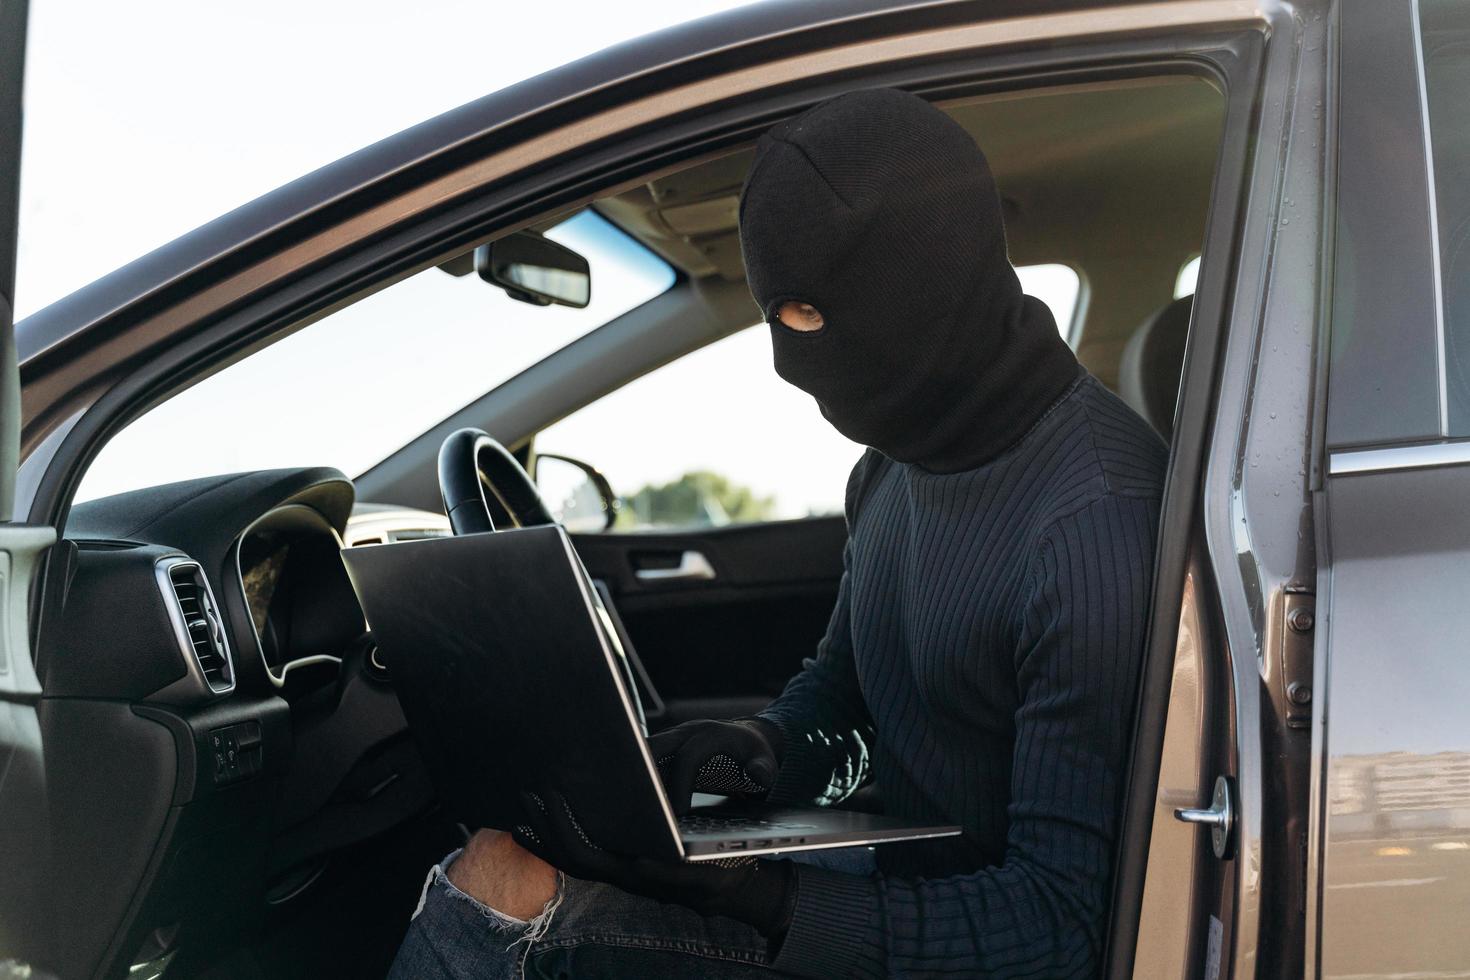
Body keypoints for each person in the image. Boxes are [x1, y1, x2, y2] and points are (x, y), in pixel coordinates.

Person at [389, 87, 1168, 979]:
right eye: (775, 316)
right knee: (536, 842)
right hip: (898, 880)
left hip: (974, 947)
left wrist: (771, 902)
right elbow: (853, 706)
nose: (787, 358)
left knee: (501, 879)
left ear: (924, 286)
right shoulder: (894, 464)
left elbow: (1065, 928)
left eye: (807, 315)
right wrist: (757, 757)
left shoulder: (1096, 523)